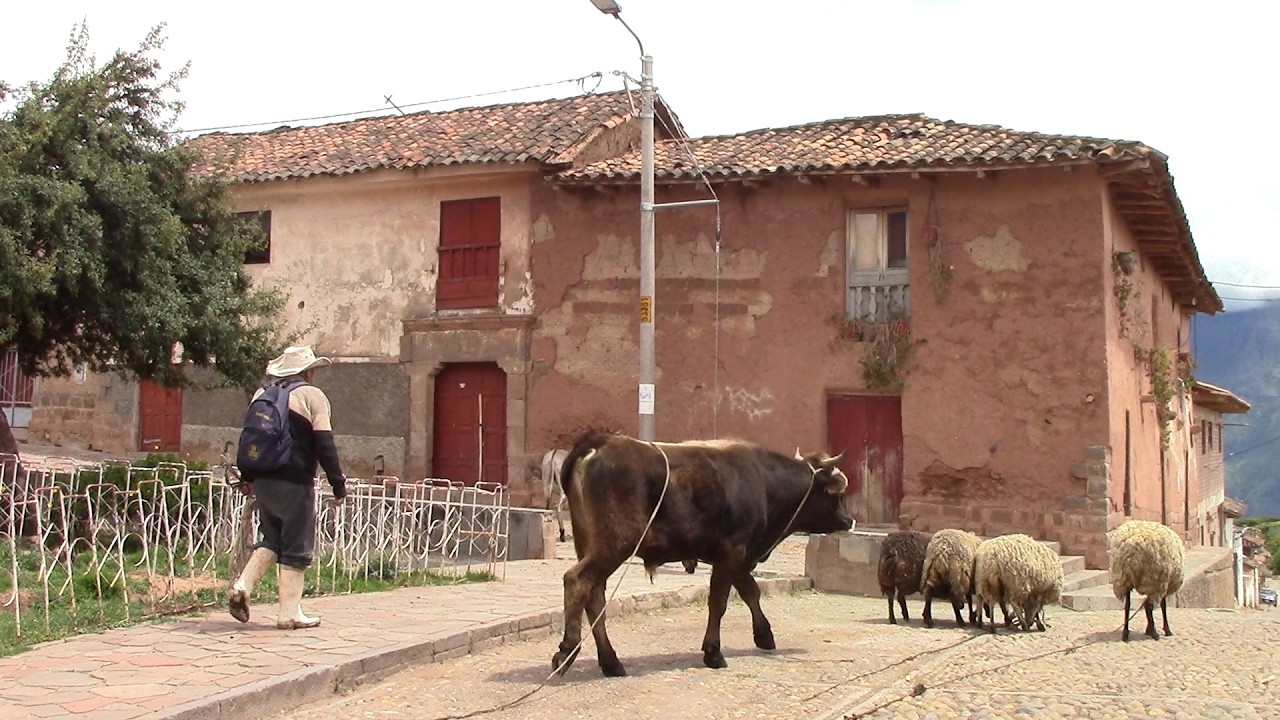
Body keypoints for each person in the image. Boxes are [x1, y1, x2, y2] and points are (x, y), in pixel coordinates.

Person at [228, 345, 348, 629]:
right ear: (308, 371)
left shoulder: (263, 395)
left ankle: (242, 586)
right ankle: (289, 613)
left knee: (272, 539)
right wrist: (337, 483)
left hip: (263, 479)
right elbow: (324, 444)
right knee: (296, 545)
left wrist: (248, 477)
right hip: (294, 481)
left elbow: (251, 439)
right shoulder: (312, 396)